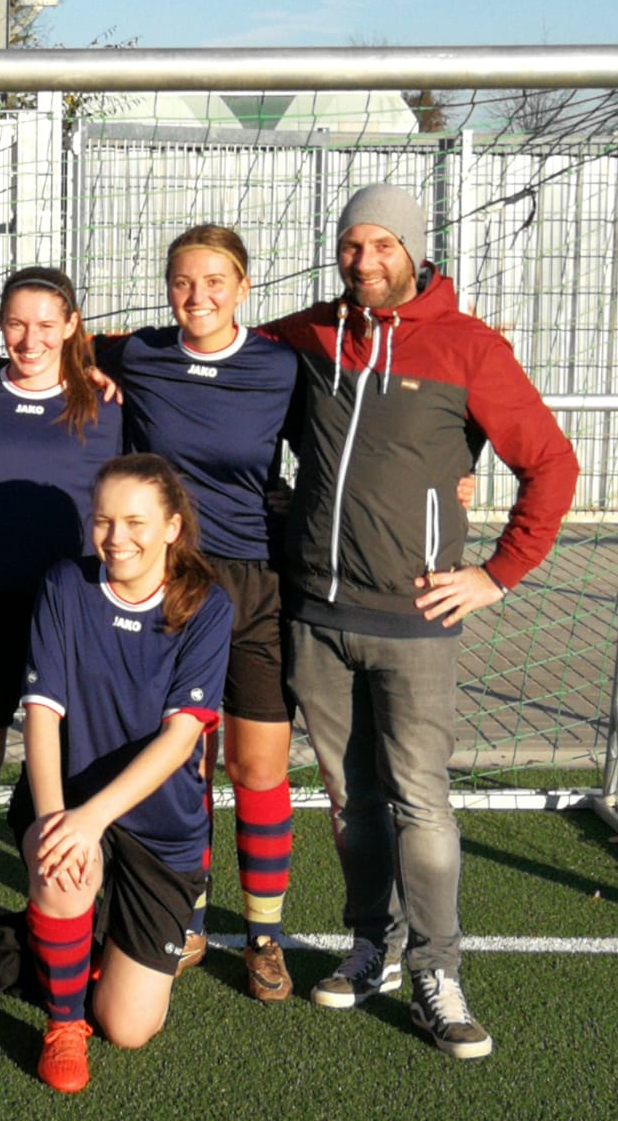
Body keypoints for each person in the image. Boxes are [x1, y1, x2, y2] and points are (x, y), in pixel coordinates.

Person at [264, 183, 578, 1059]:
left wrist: (497, 575)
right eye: (351, 246)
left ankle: (439, 968)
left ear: (412, 248)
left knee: (421, 804)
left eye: (381, 246)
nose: (364, 262)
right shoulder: (311, 334)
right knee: (351, 800)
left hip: (416, 620)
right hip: (317, 615)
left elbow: (551, 462)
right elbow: (204, 354)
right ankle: (374, 943)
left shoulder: (469, 347)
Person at [92, 227, 301, 998]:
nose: (198, 295)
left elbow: (357, 425)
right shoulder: (138, 354)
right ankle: (186, 915)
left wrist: (464, 461)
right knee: (185, 762)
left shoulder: (281, 365)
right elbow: (50, 350)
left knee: (257, 765)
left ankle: (267, 934)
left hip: (255, 585)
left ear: (243, 287)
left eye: (215, 281)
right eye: (183, 281)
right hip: (173, 582)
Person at [13, 453, 232, 1094]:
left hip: (161, 831)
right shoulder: (65, 586)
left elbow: (181, 738)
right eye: (103, 521)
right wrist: (58, 820)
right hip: (74, 807)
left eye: (135, 521)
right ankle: (62, 1023)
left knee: (130, 1028)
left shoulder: (206, 607)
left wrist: (91, 817)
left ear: (172, 527)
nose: (116, 538)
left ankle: (72, 946)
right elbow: (42, 715)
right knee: (64, 863)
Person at [0, 267, 122, 847]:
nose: (30, 339)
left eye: (45, 324)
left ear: (71, 326)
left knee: (68, 762)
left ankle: (62, 901)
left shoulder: (107, 405)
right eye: (15, 324)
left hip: (71, 612)